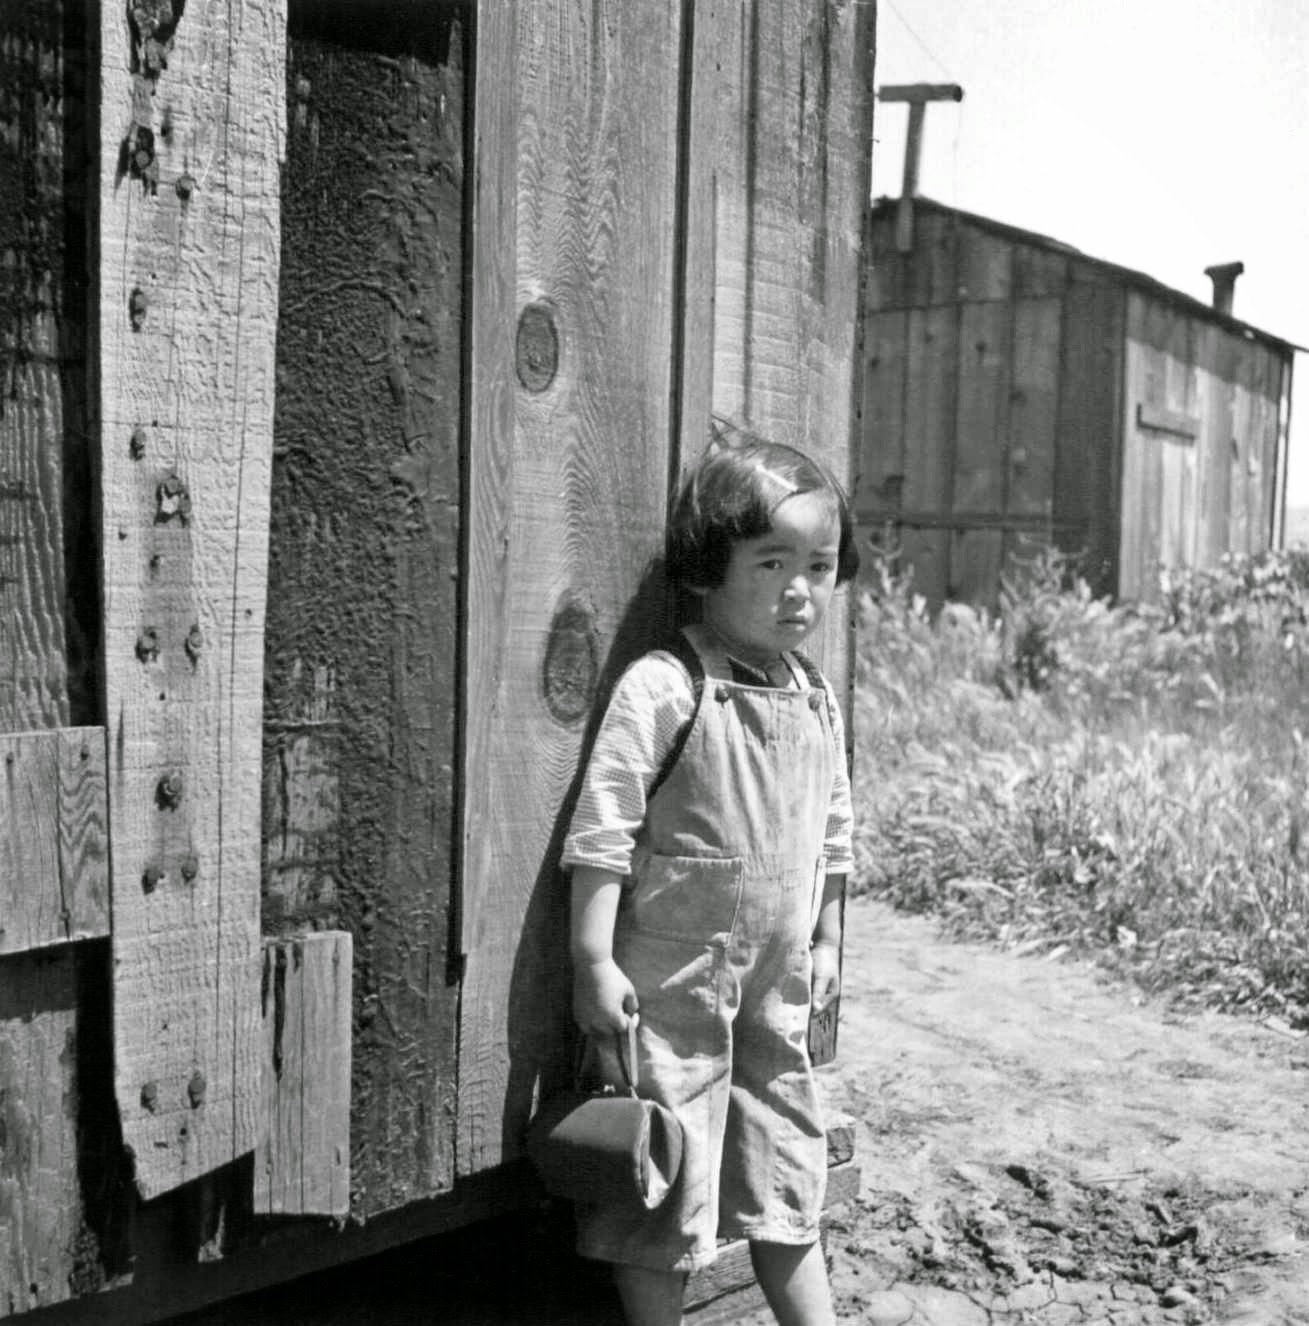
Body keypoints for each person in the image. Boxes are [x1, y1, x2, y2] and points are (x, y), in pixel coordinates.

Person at [560, 423, 859, 1326]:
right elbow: (603, 830)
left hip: (778, 984)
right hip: (673, 987)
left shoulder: (815, 692)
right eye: (772, 563)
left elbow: (835, 835)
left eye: (819, 565)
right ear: (707, 565)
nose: (800, 590)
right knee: (664, 1178)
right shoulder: (666, 685)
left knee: (788, 1162)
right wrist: (592, 958)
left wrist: (830, 940)